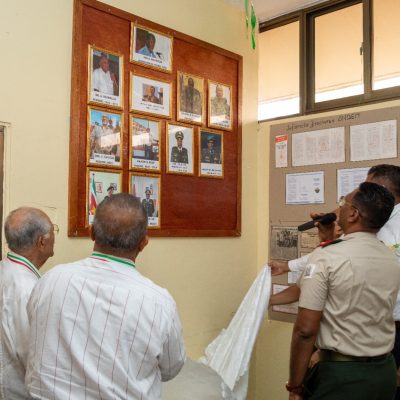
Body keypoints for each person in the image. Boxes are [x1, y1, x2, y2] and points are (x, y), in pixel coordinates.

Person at [25, 194, 185, 399]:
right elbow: (171, 367)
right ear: (144, 242)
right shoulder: (158, 303)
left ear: (92, 233)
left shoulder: (51, 280)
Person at [286, 182, 400, 399]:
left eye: (342, 203)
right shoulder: (390, 257)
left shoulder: (326, 256)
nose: (339, 208)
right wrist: (328, 239)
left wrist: (295, 386)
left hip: (342, 377)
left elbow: (305, 331)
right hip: (384, 371)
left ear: (354, 214)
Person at [0, 207, 55, 399]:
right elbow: (31, 353)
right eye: (53, 231)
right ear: (42, 241)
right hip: (18, 391)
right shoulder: (27, 288)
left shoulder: (5, 270)